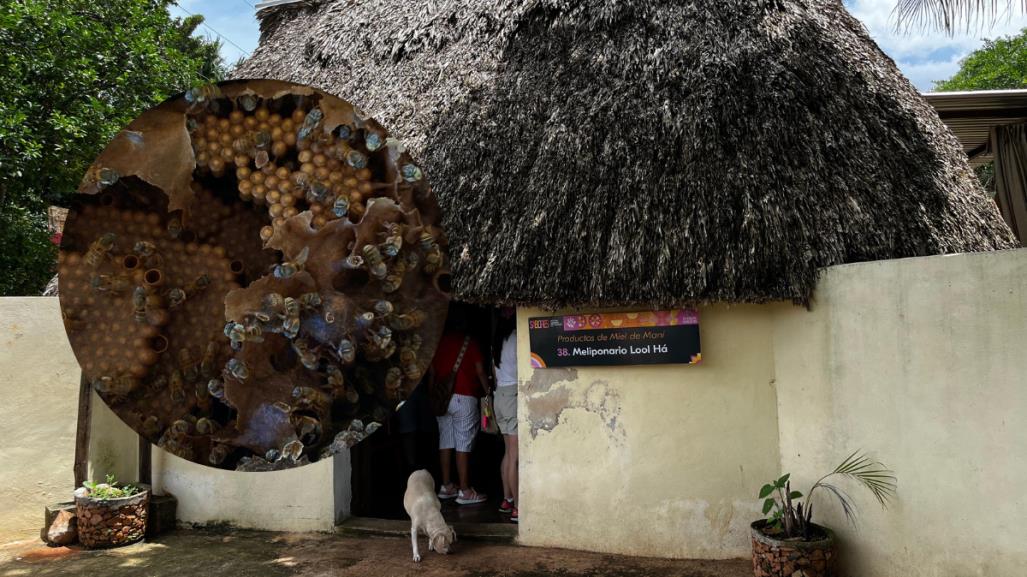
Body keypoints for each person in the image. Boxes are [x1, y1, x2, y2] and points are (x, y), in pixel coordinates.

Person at [430, 315, 489, 505]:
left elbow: (431, 372)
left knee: (445, 441)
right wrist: (489, 393)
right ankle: (464, 491)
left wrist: (433, 395)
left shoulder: (437, 343)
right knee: (463, 443)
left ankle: (446, 486)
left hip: (442, 399)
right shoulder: (469, 343)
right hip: (464, 397)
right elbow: (480, 371)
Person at [492, 308, 519, 523]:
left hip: (499, 395)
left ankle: (506, 498)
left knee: (507, 451)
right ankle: (518, 507)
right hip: (511, 395)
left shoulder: (497, 340)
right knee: (515, 456)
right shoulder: (516, 339)